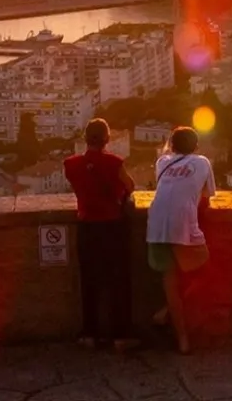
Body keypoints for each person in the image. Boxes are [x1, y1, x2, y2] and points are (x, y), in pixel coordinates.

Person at [63, 118, 138, 351]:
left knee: (89, 282)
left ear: (86, 139)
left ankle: (89, 334)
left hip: (86, 228)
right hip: (112, 228)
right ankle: (121, 336)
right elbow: (130, 185)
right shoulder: (114, 162)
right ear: (107, 139)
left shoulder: (70, 164)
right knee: (118, 282)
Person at [146, 126, 215, 354]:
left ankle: (181, 338)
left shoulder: (162, 162)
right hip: (183, 224)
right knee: (206, 268)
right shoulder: (202, 162)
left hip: (156, 224)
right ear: (196, 146)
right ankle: (168, 312)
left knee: (170, 281)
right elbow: (206, 197)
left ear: (171, 145)